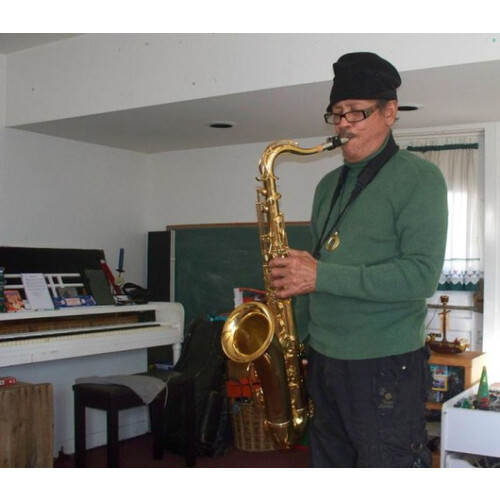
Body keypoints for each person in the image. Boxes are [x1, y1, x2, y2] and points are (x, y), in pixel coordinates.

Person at [268, 52, 448, 467]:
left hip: (383, 363)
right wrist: (300, 340)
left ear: (390, 112)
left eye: (356, 111)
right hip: (324, 359)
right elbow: (317, 268)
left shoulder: (420, 177)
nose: (343, 123)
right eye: (336, 113)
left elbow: (420, 276)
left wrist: (320, 276)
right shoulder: (327, 185)